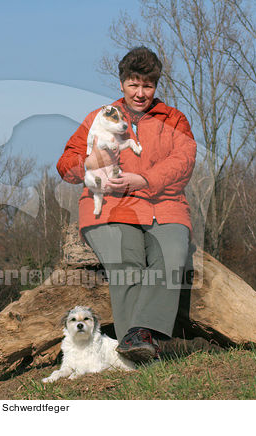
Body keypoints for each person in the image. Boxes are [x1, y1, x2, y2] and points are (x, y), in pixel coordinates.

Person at [56, 46, 196, 363]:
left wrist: (143, 179)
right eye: (134, 84)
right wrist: (88, 161)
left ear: (156, 86)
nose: (141, 92)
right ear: (122, 84)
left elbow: (184, 161)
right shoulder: (99, 117)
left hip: (166, 205)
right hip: (110, 209)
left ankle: (135, 340)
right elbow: (65, 165)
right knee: (127, 264)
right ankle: (140, 347)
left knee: (172, 256)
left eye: (148, 85)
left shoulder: (175, 119)